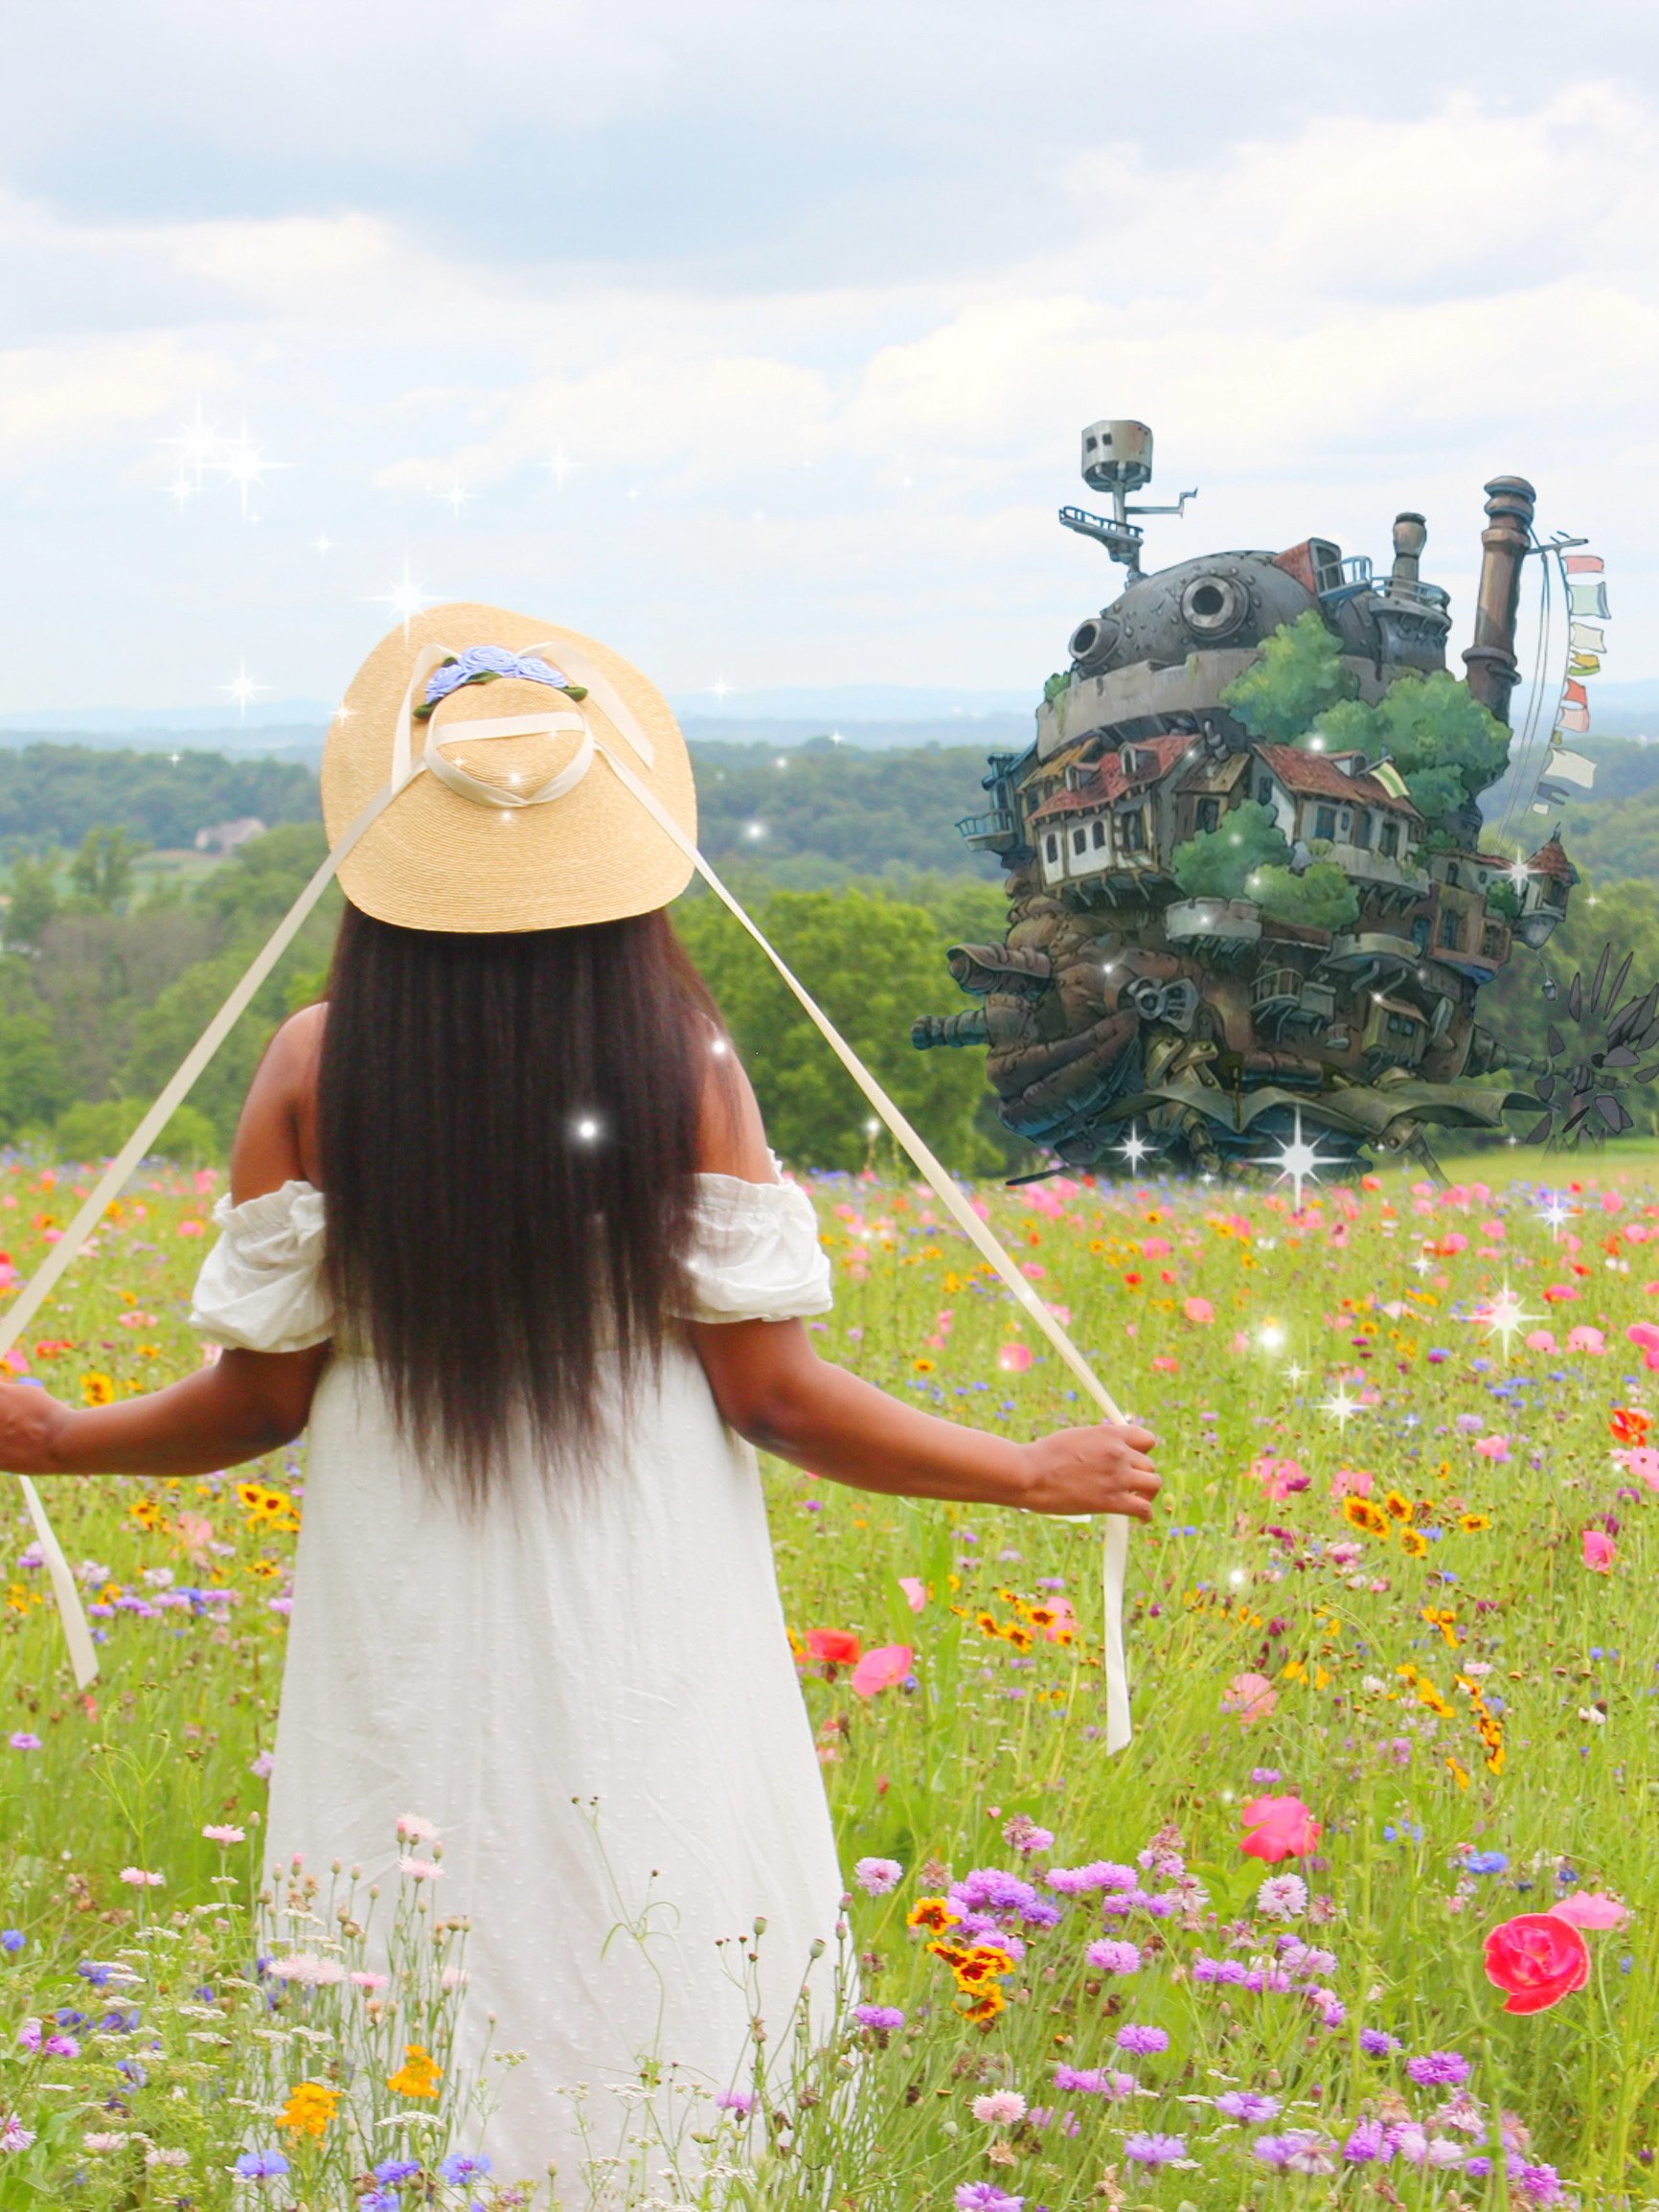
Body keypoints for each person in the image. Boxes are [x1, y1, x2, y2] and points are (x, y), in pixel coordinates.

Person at [0, 606, 1159, 2198]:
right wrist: (1027, 1467)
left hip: (404, 1589)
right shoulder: (685, 1060)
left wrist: (60, 1437)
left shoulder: (313, 1065)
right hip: (642, 1577)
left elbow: (259, 1402)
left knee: (414, 1885)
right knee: (656, 1890)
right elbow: (778, 1399)